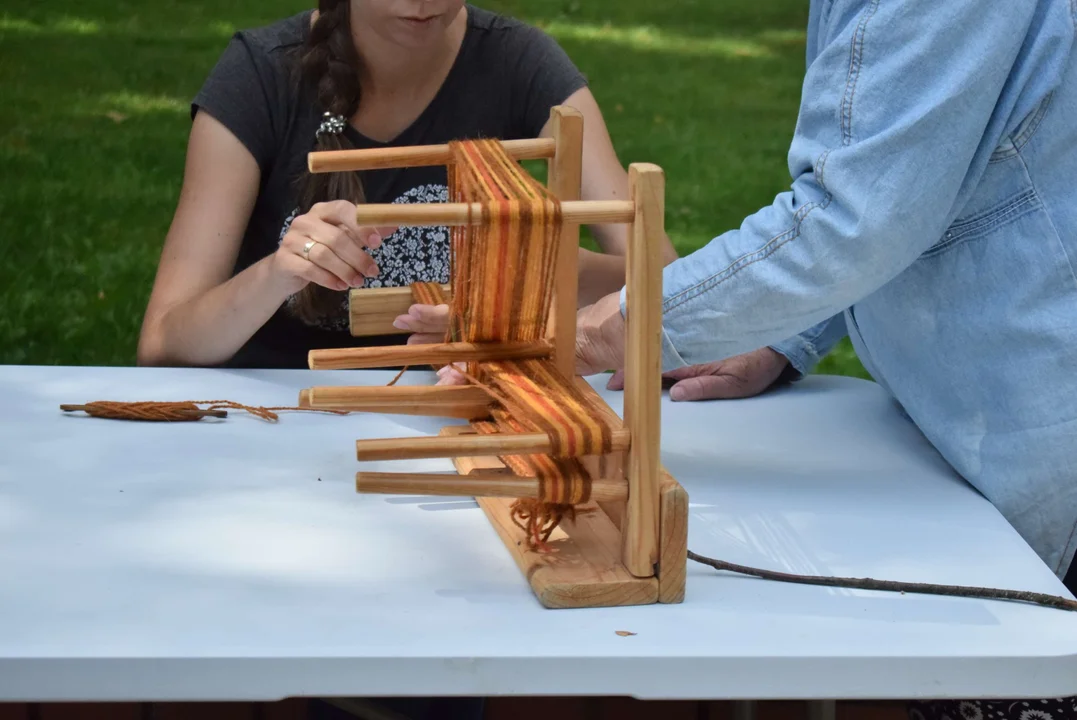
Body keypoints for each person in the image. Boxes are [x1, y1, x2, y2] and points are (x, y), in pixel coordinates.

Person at [574, 0, 1077, 717]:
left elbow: (852, 219)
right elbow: (909, 172)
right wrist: (789, 332)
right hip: (977, 440)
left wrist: (614, 328)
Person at [136, 0, 677, 371]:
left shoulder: (522, 62)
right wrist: (278, 275)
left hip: (465, 416)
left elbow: (669, 287)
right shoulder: (258, 75)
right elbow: (161, 345)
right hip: (275, 416)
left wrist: (535, 287)